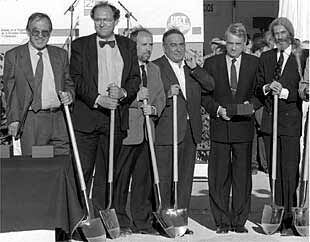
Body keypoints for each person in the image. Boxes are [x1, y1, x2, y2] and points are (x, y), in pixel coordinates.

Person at [69, 1, 140, 216]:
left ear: (116, 21)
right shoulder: (81, 45)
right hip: (88, 117)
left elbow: (135, 78)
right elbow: (76, 79)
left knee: (108, 171)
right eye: (97, 19)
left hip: (115, 119)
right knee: (82, 171)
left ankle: (100, 217)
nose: (101, 23)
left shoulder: (128, 46)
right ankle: (79, 217)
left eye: (106, 19)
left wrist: (124, 93)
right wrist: (99, 98)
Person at [153, 28, 214, 235]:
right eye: (173, 45)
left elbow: (210, 85)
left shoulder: (191, 68)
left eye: (181, 44)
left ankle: (180, 222)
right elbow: (153, 96)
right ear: (164, 47)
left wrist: (195, 68)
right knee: (165, 178)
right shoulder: (157, 67)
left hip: (190, 130)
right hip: (167, 129)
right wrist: (167, 94)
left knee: (185, 179)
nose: (178, 49)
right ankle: (163, 222)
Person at [203, 23, 260, 234]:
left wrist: (251, 107)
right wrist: (217, 110)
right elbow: (204, 96)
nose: (234, 48)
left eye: (238, 44)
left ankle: (239, 221)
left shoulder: (255, 63)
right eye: (230, 43)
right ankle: (221, 221)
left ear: (244, 43)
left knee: (242, 177)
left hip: (243, 129)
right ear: (225, 42)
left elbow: (259, 94)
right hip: (220, 128)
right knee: (218, 177)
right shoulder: (212, 63)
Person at [113, 28, 166, 235]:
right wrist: (135, 100)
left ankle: (142, 222)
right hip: (128, 132)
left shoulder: (154, 69)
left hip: (147, 133)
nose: (149, 49)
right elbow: (116, 96)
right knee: (122, 178)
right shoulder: (123, 68)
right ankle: (120, 220)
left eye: (151, 44)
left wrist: (152, 109)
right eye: (144, 44)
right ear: (133, 46)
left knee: (143, 181)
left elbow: (160, 97)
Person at [255, 17, 303, 236]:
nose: (280, 37)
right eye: (276, 34)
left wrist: (285, 93)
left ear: (290, 33)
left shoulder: (300, 57)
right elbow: (258, 86)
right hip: (270, 123)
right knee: (274, 170)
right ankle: (277, 210)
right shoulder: (266, 58)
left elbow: (304, 90)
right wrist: (267, 87)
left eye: (283, 32)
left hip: (290, 123)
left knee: (290, 170)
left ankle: (290, 219)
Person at [3, 12, 74, 155]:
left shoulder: (61, 54)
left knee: (62, 165)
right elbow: (10, 92)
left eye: (45, 32)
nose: (40, 36)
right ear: (28, 31)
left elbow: (68, 83)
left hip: (59, 119)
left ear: (50, 33)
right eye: (36, 32)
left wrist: (70, 95)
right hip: (31, 120)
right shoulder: (14, 56)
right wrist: (14, 119)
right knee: (37, 168)